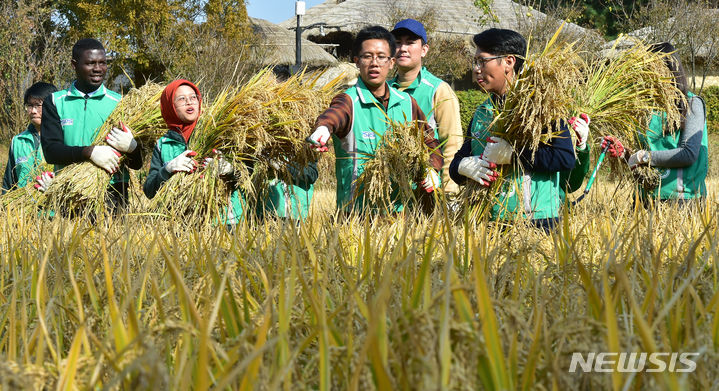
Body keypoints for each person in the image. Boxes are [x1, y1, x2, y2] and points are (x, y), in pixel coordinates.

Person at [449, 28, 585, 232]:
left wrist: (513, 155)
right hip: (489, 221)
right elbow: (459, 160)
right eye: (474, 62)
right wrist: (462, 167)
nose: (476, 69)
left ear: (509, 62)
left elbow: (564, 157)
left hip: (537, 222)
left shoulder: (541, 107)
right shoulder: (482, 112)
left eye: (482, 61)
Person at [306, 25, 443, 212]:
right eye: (367, 56)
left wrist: (431, 169)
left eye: (381, 57)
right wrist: (323, 128)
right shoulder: (349, 100)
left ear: (392, 62)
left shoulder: (407, 103)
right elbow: (334, 114)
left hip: (402, 213)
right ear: (357, 61)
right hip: (356, 214)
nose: (374, 63)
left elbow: (430, 142)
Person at [41, 38, 143, 212]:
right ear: (74, 64)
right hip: (70, 191)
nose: (98, 69)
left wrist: (133, 148)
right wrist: (90, 152)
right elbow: (51, 151)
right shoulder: (56, 101)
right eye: (90, 63)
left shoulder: (121, 103)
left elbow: (137, 163)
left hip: (113, 192)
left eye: (102, 63)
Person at [604, 42, 707, 205]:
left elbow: (689, 153)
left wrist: (643, 157)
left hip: (681, 201)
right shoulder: (644, 108)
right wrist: (624, 153)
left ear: (668, 69)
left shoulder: (692, 103)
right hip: (645, 198)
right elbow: (638, 159)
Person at [143, 79, 244, 225]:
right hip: (181, 225)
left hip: (225, 222)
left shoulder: (220, 133)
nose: (189, 102)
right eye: (181, 99)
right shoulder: (163, 144)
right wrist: (167, 169)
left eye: (193, 97)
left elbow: (249, 176)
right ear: (170, 106)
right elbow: (149, 190)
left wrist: (230, 170)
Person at [389, 19, 463, 197]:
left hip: (428, 191)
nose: (403, 48)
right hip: (391, 192)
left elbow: (452, 143)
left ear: (424, 50)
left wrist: (449, 191)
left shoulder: (438, 89)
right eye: (397, 43)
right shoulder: (384, 90)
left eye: (410, 42)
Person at [2, 82, 57, 194]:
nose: (33, 111)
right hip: (23, 209)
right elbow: (9, 183)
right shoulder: (18, 141)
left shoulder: (63, 138)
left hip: (53, 208)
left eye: (38, 105)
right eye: (30, 105)